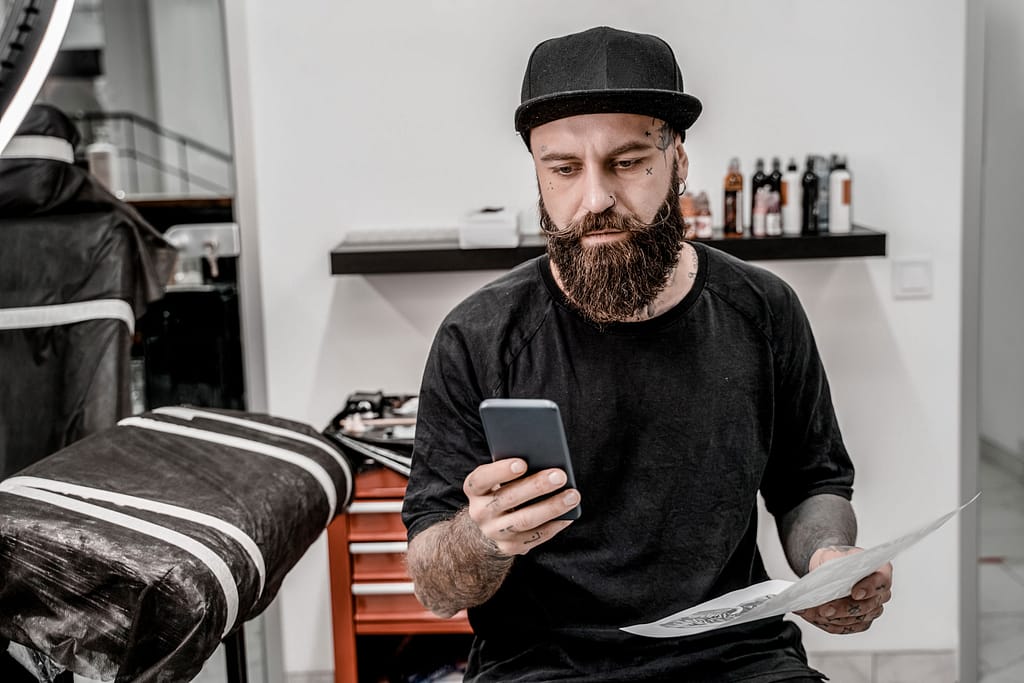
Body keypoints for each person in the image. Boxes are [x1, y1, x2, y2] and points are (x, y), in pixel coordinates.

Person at [401, 26, 893, 682]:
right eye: (564, 168)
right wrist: (483, 536)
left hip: (733, 655)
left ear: (678, 161)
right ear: (537, 171)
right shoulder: (478, 336)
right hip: (543, 664)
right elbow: (436, 586)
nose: (596, 200)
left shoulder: (764, 309)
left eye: (627, 161)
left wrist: (829, 559)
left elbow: (810, 482)